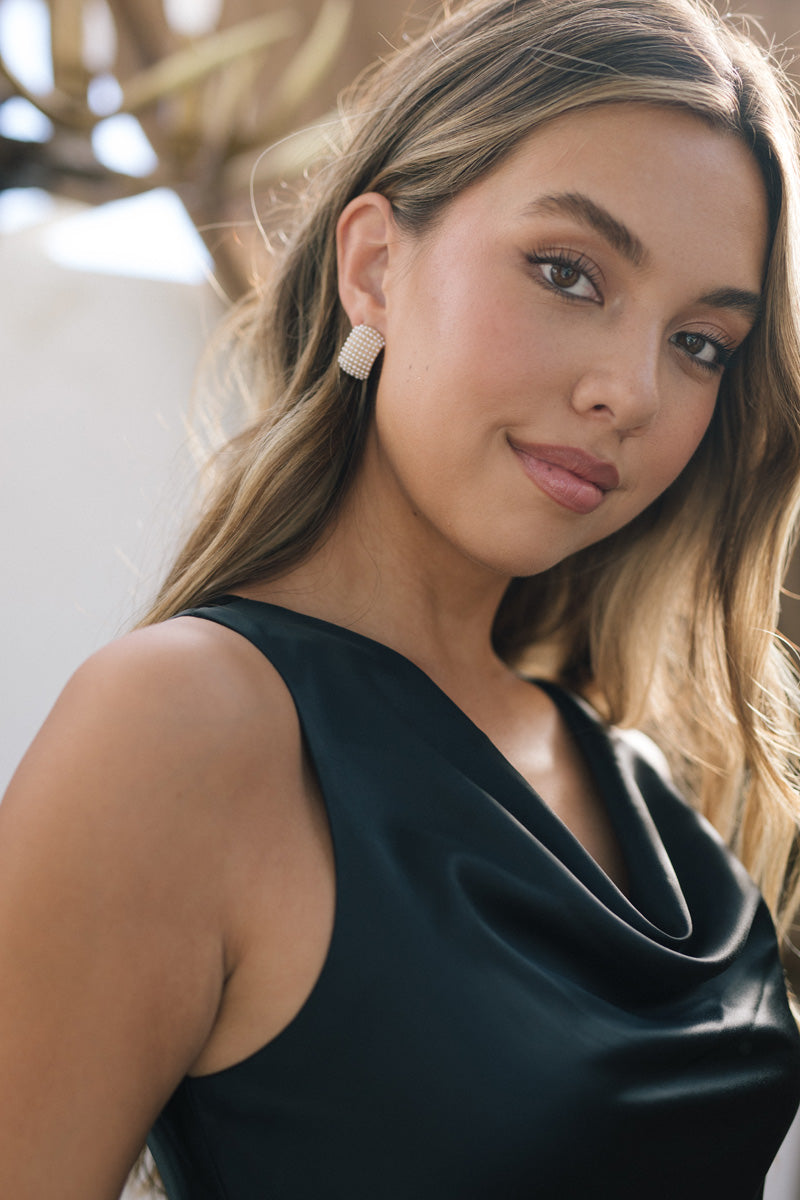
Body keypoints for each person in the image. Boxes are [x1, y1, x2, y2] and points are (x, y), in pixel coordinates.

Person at [4, 0, 800, 1196]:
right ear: (374, 264)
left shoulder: (632, 767)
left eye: (699, 343)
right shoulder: (184, 726)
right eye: (567, 273)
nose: (631, 391)